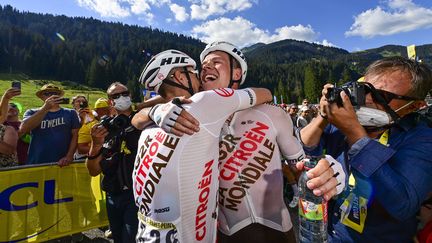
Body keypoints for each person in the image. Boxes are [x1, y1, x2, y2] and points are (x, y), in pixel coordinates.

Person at [145, 42, 345, 243]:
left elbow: (301, 167)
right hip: (223, 233)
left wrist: (325, 171)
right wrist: (154, 111)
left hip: (276, 232)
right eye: (203, 64)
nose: (206, 67)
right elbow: (136, 117)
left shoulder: (271, 113)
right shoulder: (193, 115)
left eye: (216, 62)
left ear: (237, 73)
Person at [132, 49, 272, 243]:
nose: (199, 75)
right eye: (192, 72)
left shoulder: (149, 127)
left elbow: (136, 117)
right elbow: (265, 93)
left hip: (146, 233)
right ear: (181, 77)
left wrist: (152, 110)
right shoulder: (207, 101)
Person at [300, 56, 432, 242]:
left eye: (383, 96)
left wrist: (355, 134)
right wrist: (324, 115)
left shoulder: (422, 138)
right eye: (366, 90)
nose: (368, 100)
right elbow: (307, 146)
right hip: (329, 233)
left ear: (415, 105)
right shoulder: (341, 122)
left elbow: (403, 205)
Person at [86, 82, 140, 242]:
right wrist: (96, 144)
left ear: (130, 95)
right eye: (116, 96)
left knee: (130, 238)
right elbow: (93, 170)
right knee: (117, 237)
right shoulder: (105, 128)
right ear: (110, 101)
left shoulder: (144, 120)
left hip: (136, 195)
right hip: (113, 195)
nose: (121, 97)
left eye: (125, 93)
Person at [20, 84, 80, 166]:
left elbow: (75, 135)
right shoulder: (31, 112)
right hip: (36, 162)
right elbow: (23, 129)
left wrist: (69, 156)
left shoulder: (70, 113)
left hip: (62, 163)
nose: (52, 96)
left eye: (56, 93)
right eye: (47, 94)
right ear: (41, 97)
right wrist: (45, 108)